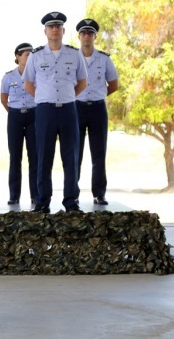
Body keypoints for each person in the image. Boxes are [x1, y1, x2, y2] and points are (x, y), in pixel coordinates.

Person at [23, 12, 88, 214]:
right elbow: (28, 84)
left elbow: (83, 82)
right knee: (43, 156)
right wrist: (44, 97)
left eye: (58, 26)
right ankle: (42, 201)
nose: (54, 30)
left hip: (68, 109)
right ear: (45, 31)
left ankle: (71, 202)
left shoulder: (74, 54)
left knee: (71, 157)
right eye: (51, 26)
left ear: (63, 30)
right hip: (45, 111)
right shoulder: (35, 55)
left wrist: (67, 97)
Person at [75, 19, 119, 205]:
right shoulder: (71, 57)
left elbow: (114, 84)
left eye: (90, 33)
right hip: (76, 107)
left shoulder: (104, 58)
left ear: (95, 36)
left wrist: (99, 95)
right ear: (79, 36)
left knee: (99, 153)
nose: (87, 36)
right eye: (84, 33)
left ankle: (99, 193)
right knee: (74, 152)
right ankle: (72, 193)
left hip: (98, 109)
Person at [0, 43, 38, 206]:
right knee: (15, 157)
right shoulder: (8, 76)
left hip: (34, 115)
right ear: (17, 56)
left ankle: (36, 195)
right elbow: (3, 98)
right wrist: (13, 112)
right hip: (15, 116)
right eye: (26, 54)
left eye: (31, 54)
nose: (29, 57)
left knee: (34, 157)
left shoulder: (37, 75)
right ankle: (14, 195)